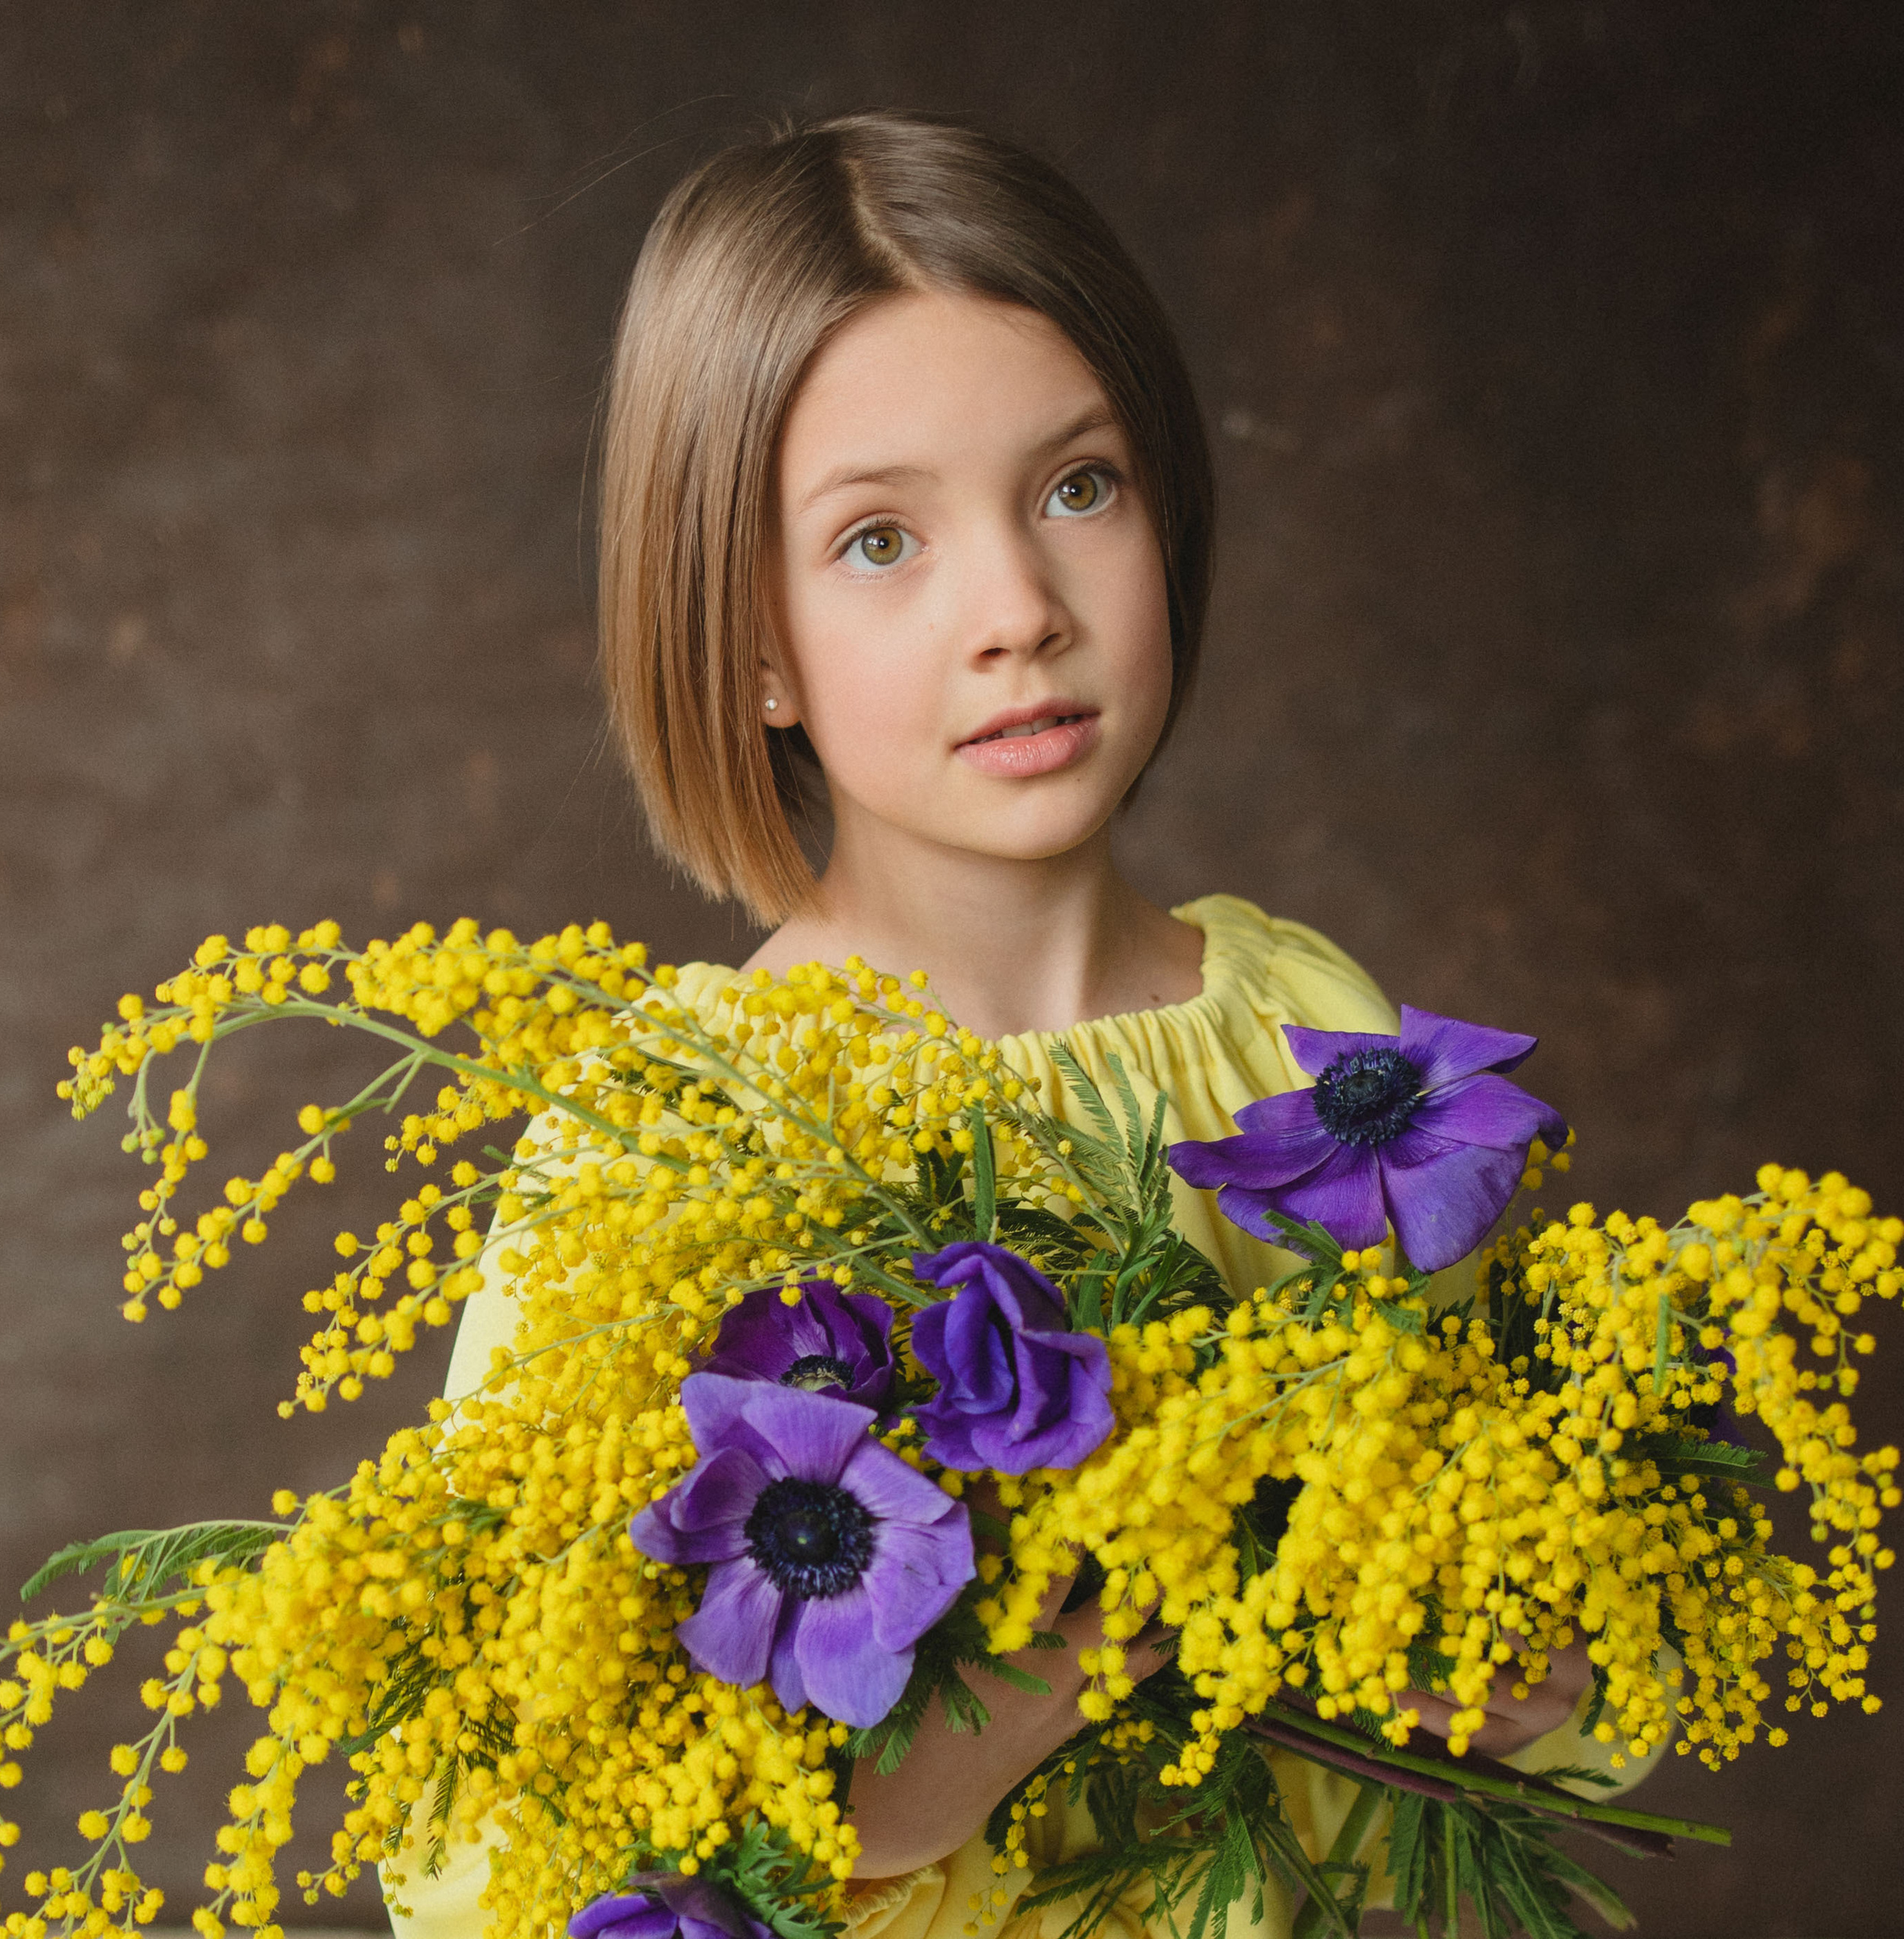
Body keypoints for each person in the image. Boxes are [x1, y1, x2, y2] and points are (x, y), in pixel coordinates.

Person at [389, 110, 1623, 1939]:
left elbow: (1403, 1716)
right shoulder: (672, 1135)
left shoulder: (1306, 1031)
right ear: (745, 639)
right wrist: (894, 1801)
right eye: (879, 538)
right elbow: (493, 1838)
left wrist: (1525, 1684)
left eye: (1074, 488)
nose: (1018, 615)